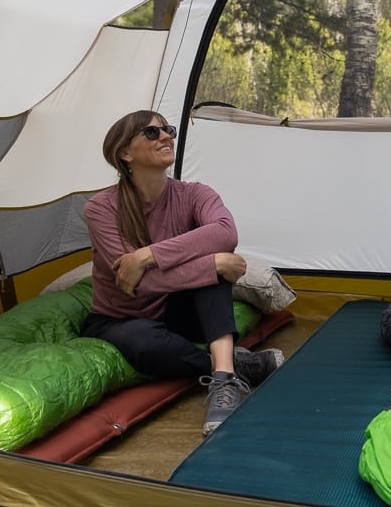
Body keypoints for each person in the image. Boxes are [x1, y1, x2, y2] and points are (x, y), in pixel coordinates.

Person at [80, 109, 284, 435]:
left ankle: (222, 383)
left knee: (213, 270)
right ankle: (233, 365)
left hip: (177, 308)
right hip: (121, 319)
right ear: (125, 153)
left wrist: (148, 254)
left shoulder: (194, 194)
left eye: (168, 130)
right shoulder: (101, 209)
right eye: (151, 132)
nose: (165, 136)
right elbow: (138, 284)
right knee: (149, 343)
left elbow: (225, 233)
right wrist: (212, 263)